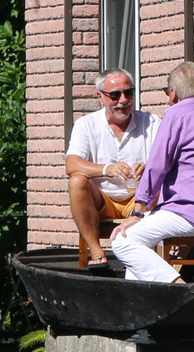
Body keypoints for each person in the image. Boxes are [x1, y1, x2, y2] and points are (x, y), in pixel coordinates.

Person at [109, 62, 194, 284]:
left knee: (124, 240)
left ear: (174, 93)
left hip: (192, 213)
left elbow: (157, 166)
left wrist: (137, 211)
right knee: (140, 241)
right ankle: (139, 300)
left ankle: (179, 290)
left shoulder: (176, 115)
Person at [66, 68, 158, 269]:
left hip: (140, 199)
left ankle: (154, 259)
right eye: (115, 95)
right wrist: (107, 169)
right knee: (77, 181)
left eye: (129, 93)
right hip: (103, 200)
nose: (123, 100)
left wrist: (150, 167)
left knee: (160, 181)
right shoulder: (86, 124)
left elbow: (167, 159)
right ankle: (96, 250)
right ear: (100, 97)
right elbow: (71, 164)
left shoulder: (151, 122)